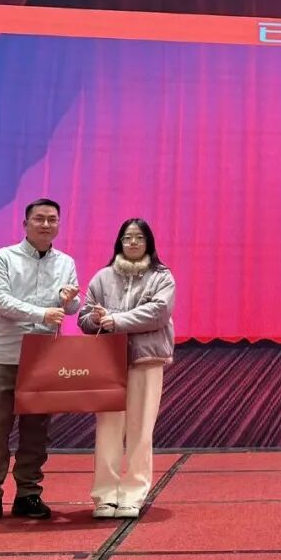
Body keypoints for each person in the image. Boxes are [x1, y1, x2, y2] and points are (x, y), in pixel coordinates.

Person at [0, 198, 80, 526]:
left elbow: (71, 307)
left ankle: (28, 492)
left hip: (42, 358)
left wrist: (70, 300)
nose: (46, 224)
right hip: (3, 356)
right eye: (39, 219)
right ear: (25, 224)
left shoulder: (65, 262)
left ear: (58, 225)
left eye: (52, 219)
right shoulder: (3, 257)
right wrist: (41, 313)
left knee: (36, 431)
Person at [78, 218, 175, 519]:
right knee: (107, 429)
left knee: (140, 430)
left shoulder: (161, 276)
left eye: (139, 238)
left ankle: (133, 495)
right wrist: (95, 319)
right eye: (127, 237)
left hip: (146, 360)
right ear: (119, 242)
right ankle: (105, 496)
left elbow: (159, 312)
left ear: (149, 243)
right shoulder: (103, 277)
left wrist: (117, 320)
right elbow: (84, 317)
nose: (133, 243)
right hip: (109, 363)